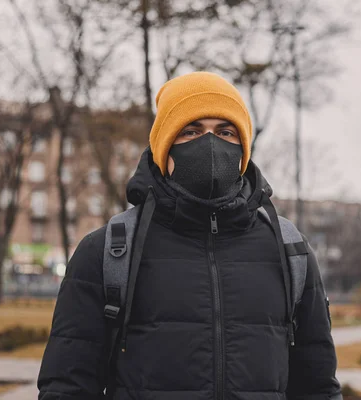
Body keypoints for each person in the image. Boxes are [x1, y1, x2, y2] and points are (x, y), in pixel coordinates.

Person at [37, 71, 342, 400]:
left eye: (225, 131)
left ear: (243, 149)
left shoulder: (289, 252)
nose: (210, 144)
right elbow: (66, 388)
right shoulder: (107, 252)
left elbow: (318, 388)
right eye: (190, 131)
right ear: (163, 147)